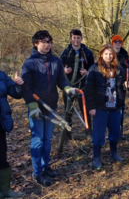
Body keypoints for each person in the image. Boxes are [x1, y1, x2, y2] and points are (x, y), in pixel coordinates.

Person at [21, 30, 77, 186]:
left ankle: (45, 167)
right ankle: (37, 173)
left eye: (49, 41)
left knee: (47, 140)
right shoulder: (29, 63)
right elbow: (26, 87)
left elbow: (61, 81)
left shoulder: (56, 61)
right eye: (43, 41)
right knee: (38, 140)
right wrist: (32, 106)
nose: (47, 44)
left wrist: (68, 89)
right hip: (36, 108)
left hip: (51, 107)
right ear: (36, 43)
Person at [85, 44, 126, 170]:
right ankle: (96, 157)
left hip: (115, 106)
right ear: (102, 55)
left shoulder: (119, 69)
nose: (108, 56)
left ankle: (114, 152)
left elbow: (122, 87)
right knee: (98, 133)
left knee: (114, 131)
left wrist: (126, 85)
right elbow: (89, 90)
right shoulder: (94, 69)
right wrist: (91, 107)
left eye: (110, 54)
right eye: (106, 54)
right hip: (100, 106)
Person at [60, 29, 94, 140]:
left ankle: (88, 132)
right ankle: (67, 134)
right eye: (74, 37)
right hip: (69, 86)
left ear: (81, 38)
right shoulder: (65, 52)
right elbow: (59, 69)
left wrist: (87, 72)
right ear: (70, 38)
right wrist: (64, 71)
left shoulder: (87, 53)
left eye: (78, 37)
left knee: (85, 110)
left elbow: (93, 69)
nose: (76, 40)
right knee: (68, 110)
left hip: (84, 86)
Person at [0, 71, 25, 198]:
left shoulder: (1, 75)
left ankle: (5, 191)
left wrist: (18, 85)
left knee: (1, 157)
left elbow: (15, 93)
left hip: (1, 123)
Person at [111, 35, 129, 140]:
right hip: (110, 84)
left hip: (121, 85)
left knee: (121, 109)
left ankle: (120, 131)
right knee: (110, 108)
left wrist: (127, 81)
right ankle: (111, 132)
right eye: (115, 42)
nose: (117, 43)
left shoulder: (125, 55)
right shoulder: (108, 53)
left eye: (119, 42)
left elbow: (128, 69)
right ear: (112, 43)